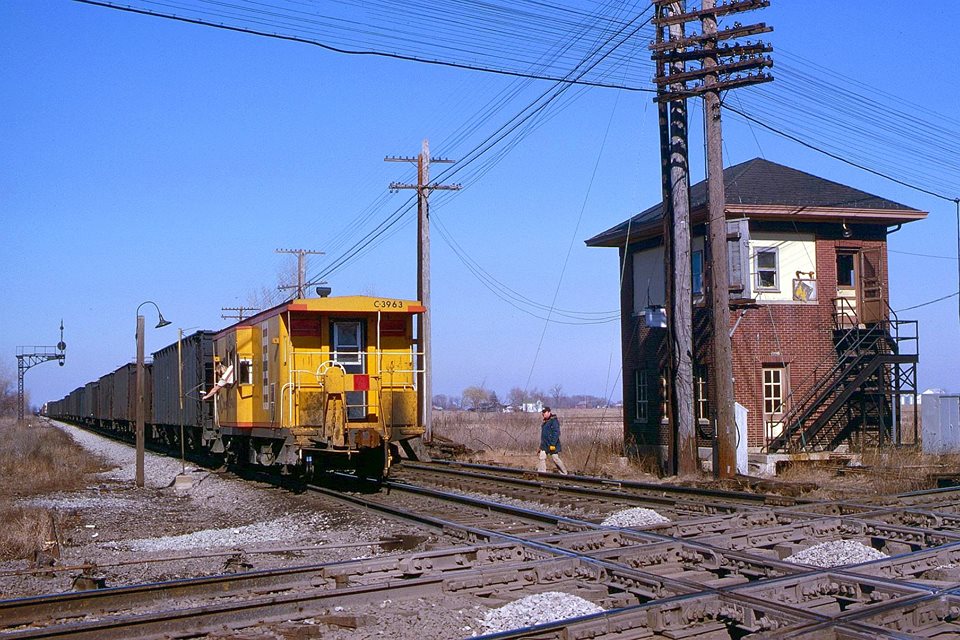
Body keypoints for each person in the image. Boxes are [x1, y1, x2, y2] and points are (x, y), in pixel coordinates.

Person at [537, 406, 568, 475]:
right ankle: (542, 473)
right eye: (543, 412)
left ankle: (564, 473)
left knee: (555, 459)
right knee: (542, 458)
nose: (543, 414)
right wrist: (540, 446)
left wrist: (553, 444)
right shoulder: (545, 422)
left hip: (552, 444)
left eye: (544, 412)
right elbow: (544, 436)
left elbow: (556, 433)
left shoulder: (554, 421)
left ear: (549, 412)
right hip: (544, 445)